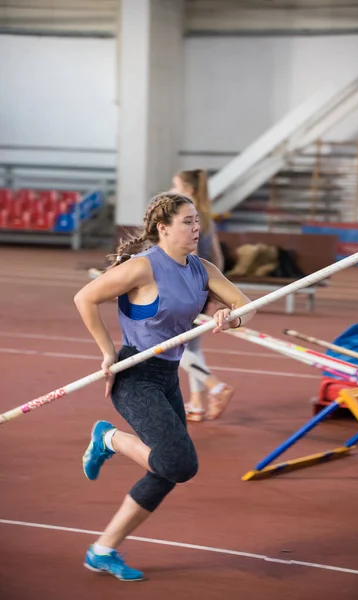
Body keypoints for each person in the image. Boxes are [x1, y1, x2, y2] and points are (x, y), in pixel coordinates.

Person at [74, 191, 256, 582]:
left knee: (166, 472)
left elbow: (247, 306)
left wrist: (230, 316)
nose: (196, 228)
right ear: (163, 228)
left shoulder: (202, 268)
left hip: (167, 377)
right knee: (179, 464)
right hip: (135, 375)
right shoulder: (143, 268)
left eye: (197, 221)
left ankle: (102, 550)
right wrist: (107, 353)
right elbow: (85, 298)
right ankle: (109, 439)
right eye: (188, 222)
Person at [171, 169, 234, 422]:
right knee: (192, 346)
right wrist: (215, 289)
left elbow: (192, 254)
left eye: (174, 184)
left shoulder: (186, 216)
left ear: (189, 190)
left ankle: (216, 386)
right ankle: (196, 402)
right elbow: (217, 257)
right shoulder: (206, 216)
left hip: (186, 288)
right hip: (203, 287)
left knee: (167, 347)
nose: (171, 189)